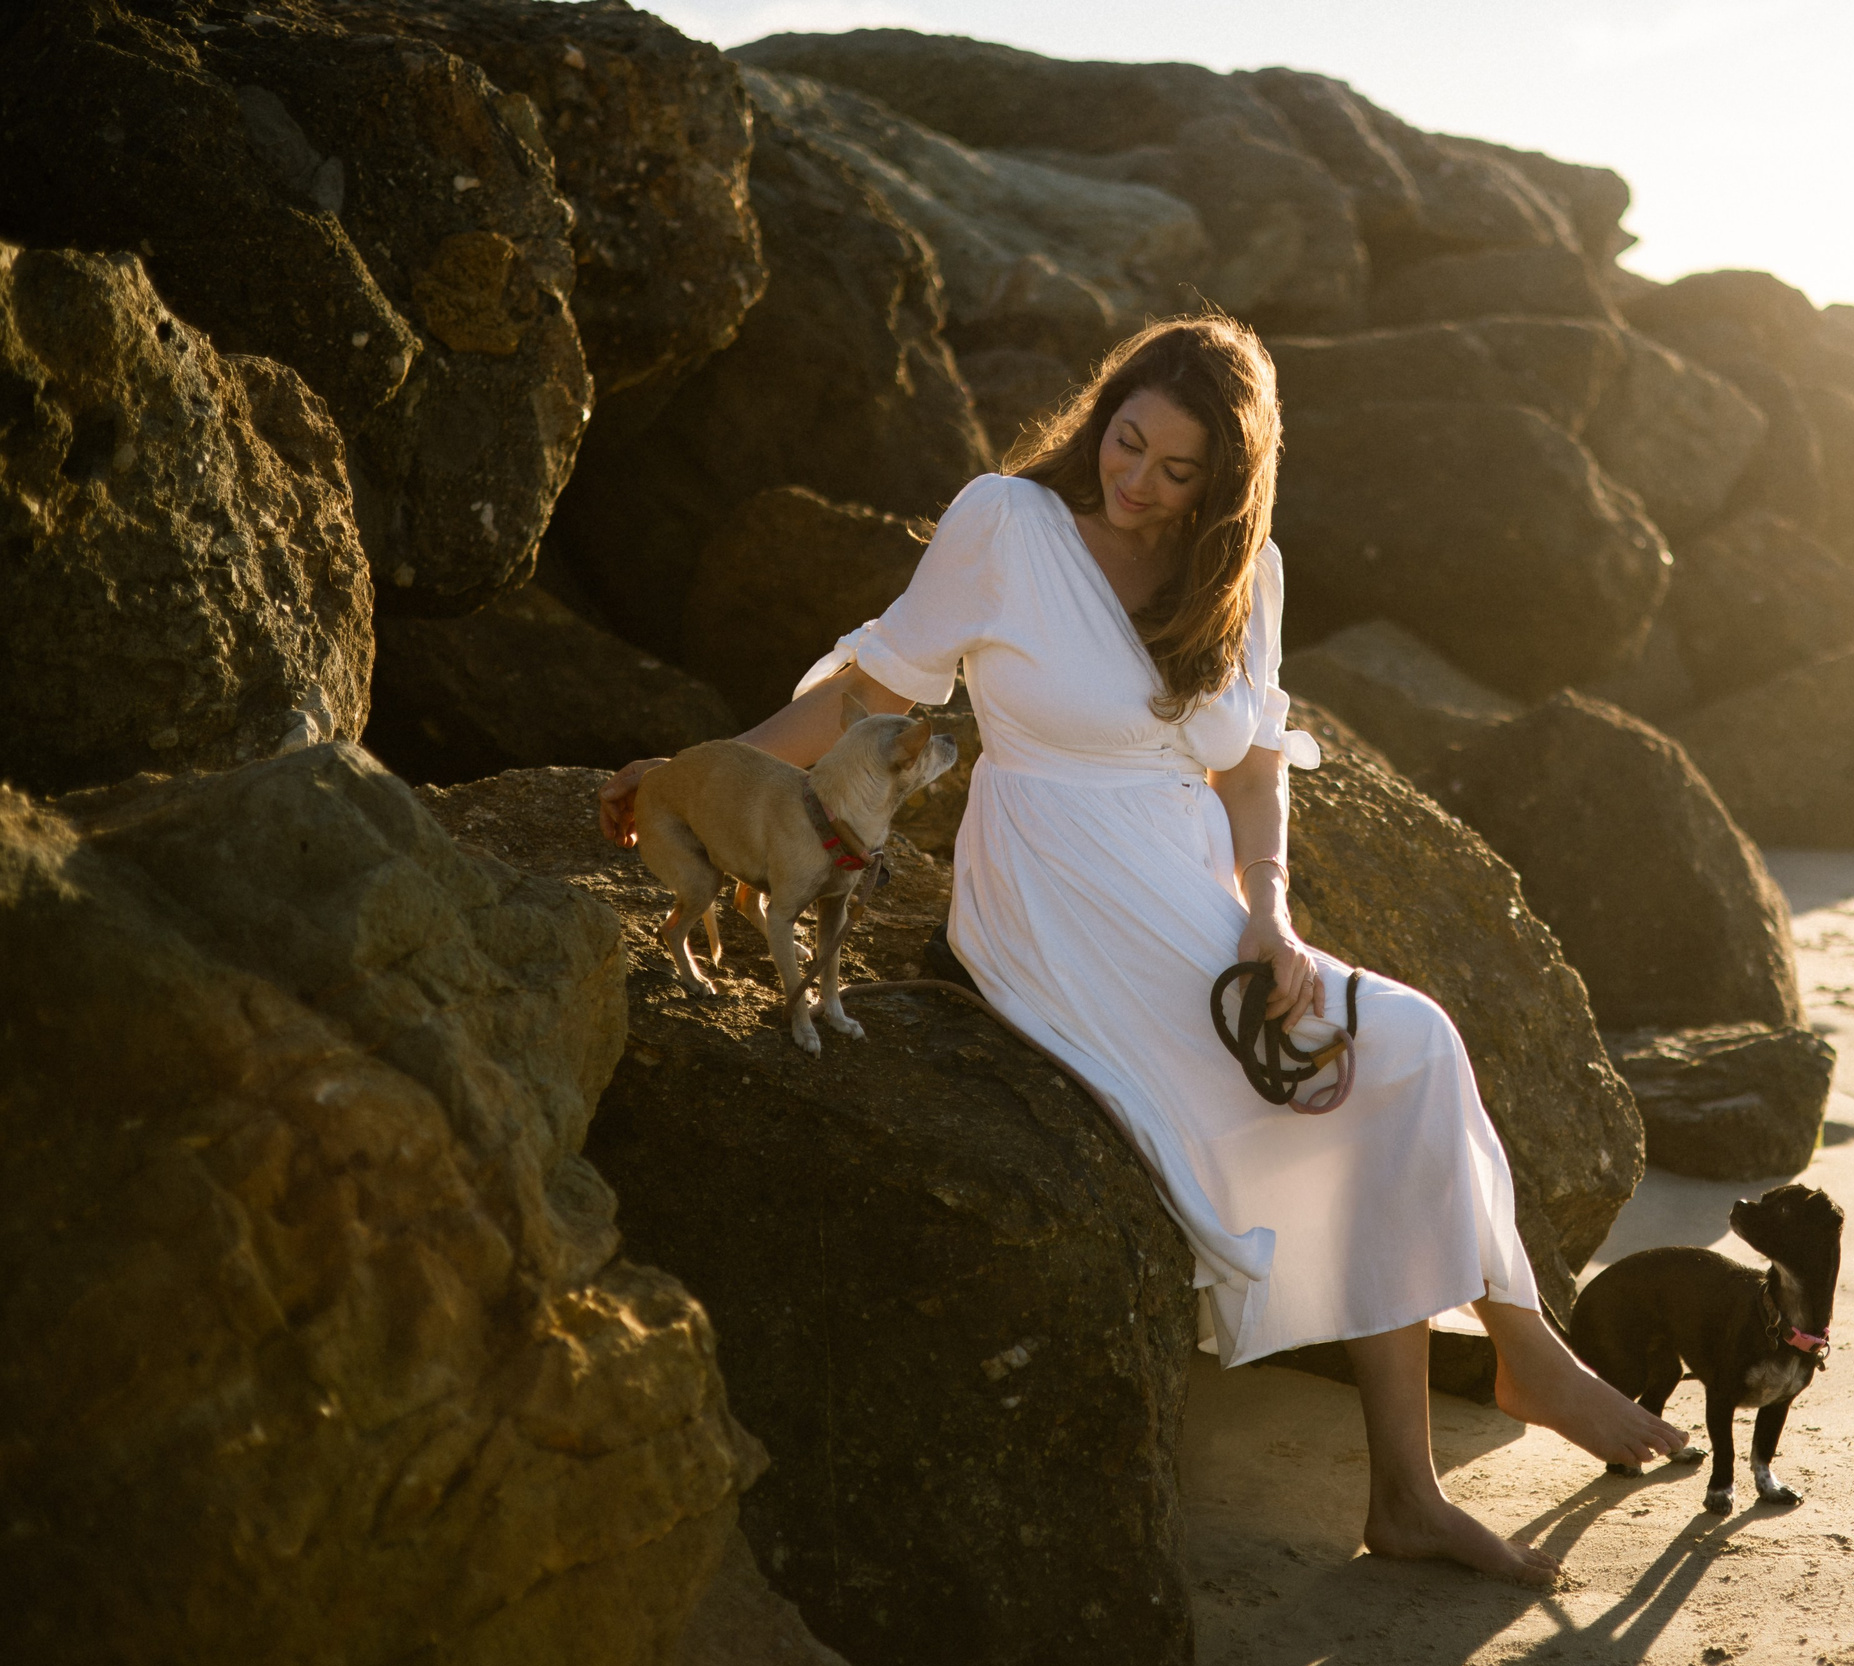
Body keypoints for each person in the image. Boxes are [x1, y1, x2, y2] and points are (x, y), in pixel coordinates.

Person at [597, 314, 1685, 1584]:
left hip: (1190, 884)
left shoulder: (1244, 575)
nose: (1140, 483)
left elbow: (1256, 769)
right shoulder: (1006, 523)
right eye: (1129, 443)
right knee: (1369, 1059)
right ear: (1101, 413)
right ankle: (1524, 1364)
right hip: (1052, 882)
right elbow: (865, 693)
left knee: (1399, 1048)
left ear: (1227, 483)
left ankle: (1422, 1475)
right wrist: (685, 780)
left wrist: (1272, 916)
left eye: (1180, 471)